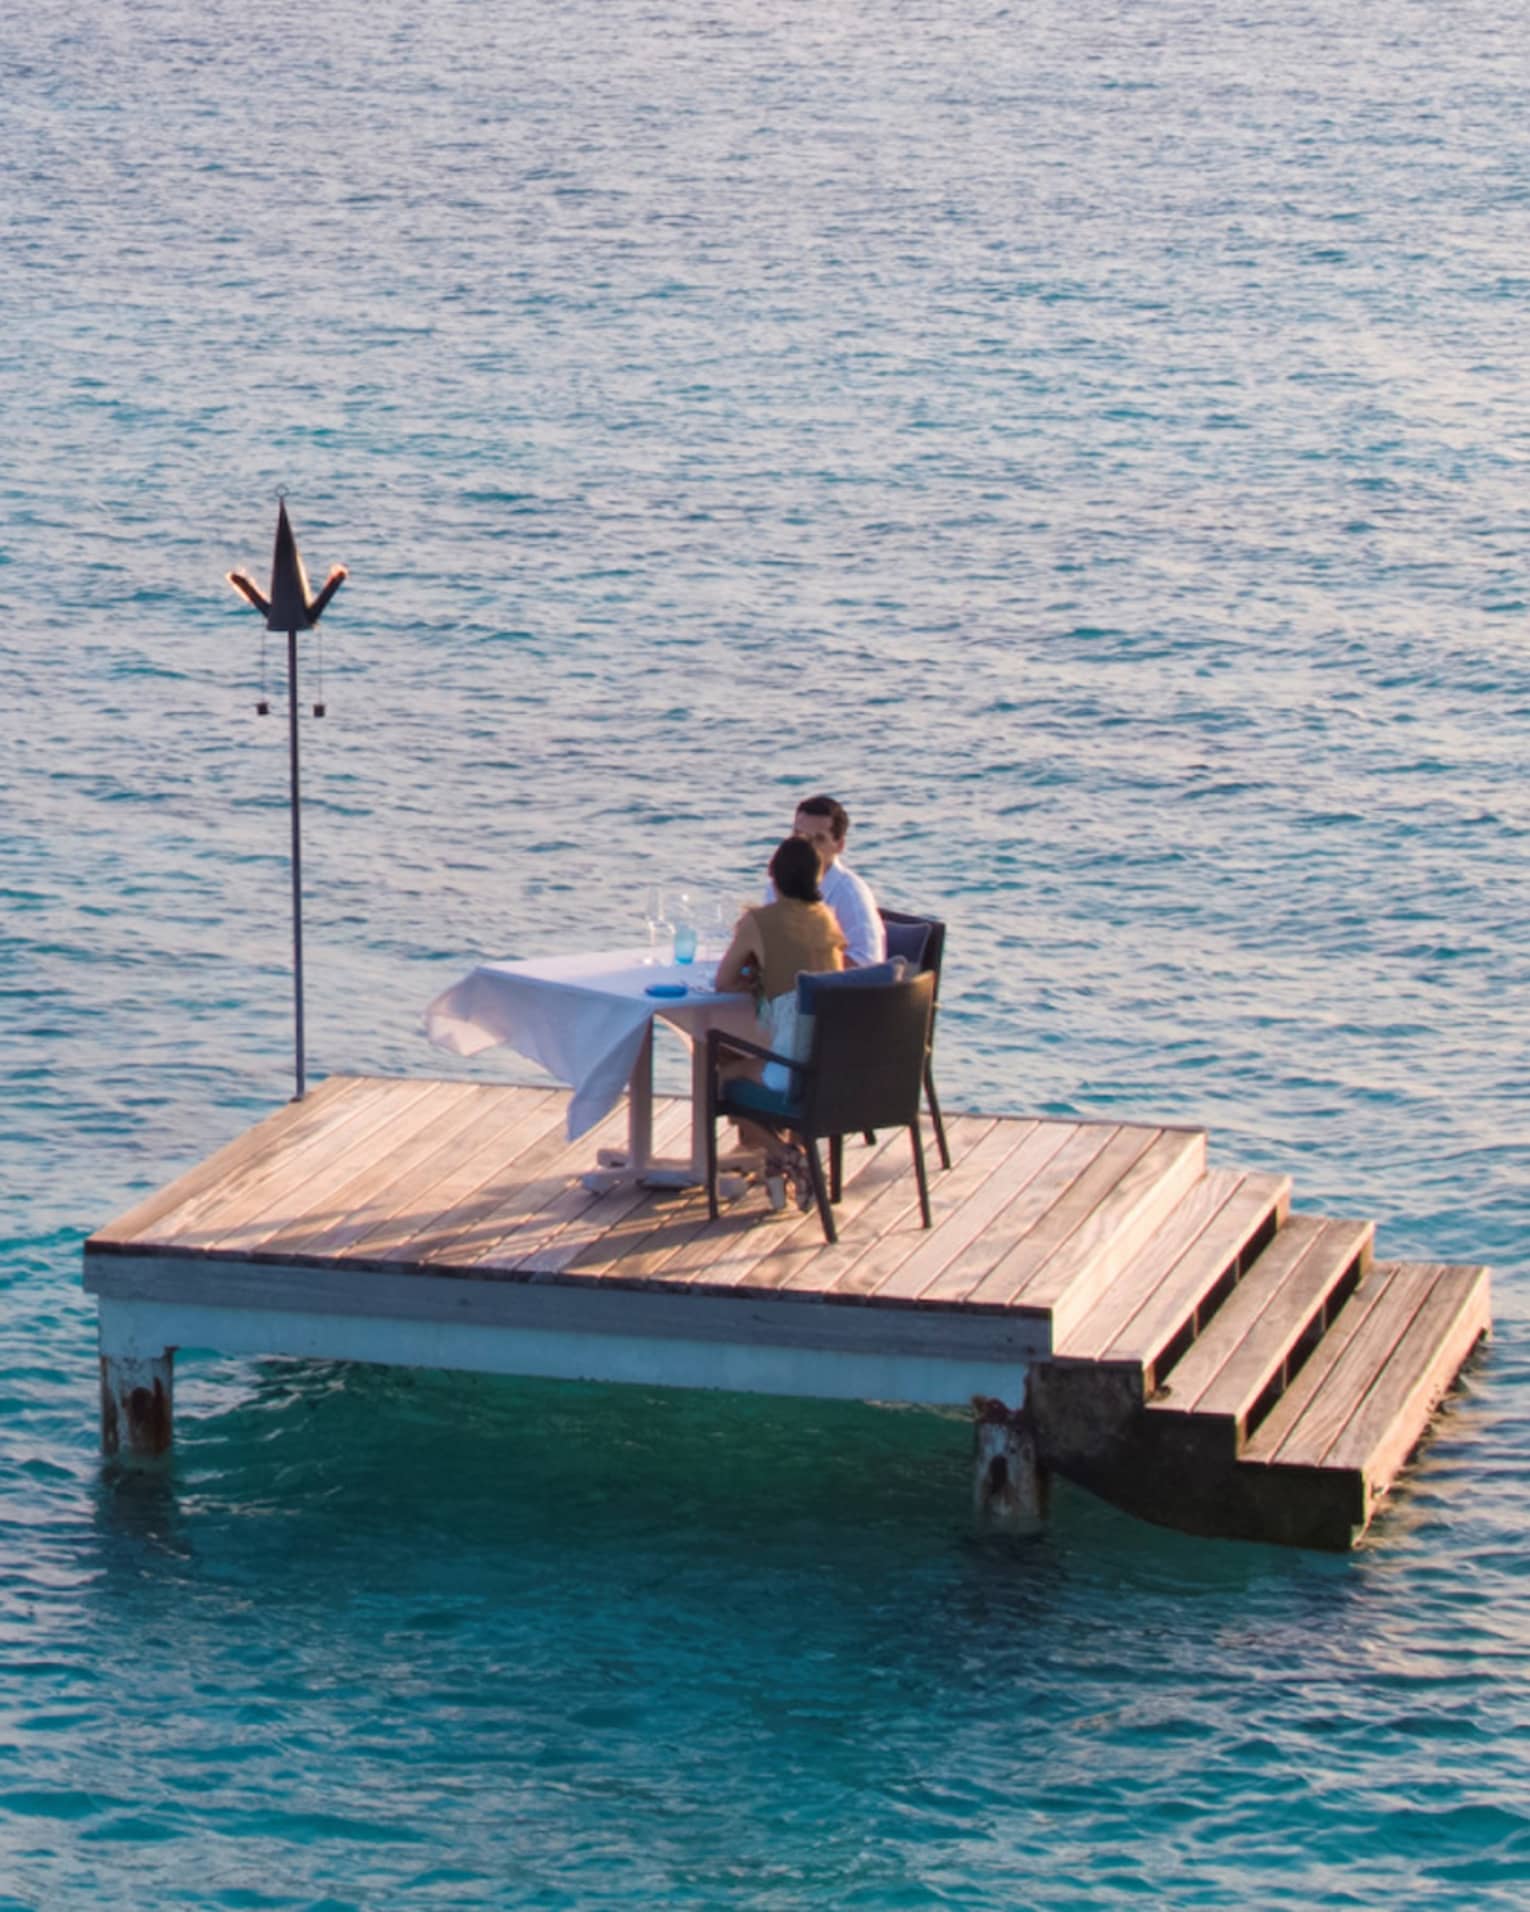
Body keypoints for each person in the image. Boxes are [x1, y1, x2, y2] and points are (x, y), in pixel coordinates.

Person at [715, 834, 845, 1208]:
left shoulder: (758, 921)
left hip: (796, 1065)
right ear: (816, 879)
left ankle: (786, 1155)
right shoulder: (828, 919)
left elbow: (723, 981)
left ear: (774, 877)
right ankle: (779, 1175)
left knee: (720, 1077)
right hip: (833, 1062)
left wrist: (752, 980)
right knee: (742, 1058)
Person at [766, 794, 886, 967]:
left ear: (839, 846)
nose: (807, 846)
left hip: (829, 991)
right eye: (799, 835)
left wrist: (805, 963)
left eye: (819, 839)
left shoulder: (850, 893)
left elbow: (868, 961)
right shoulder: (777, 883)